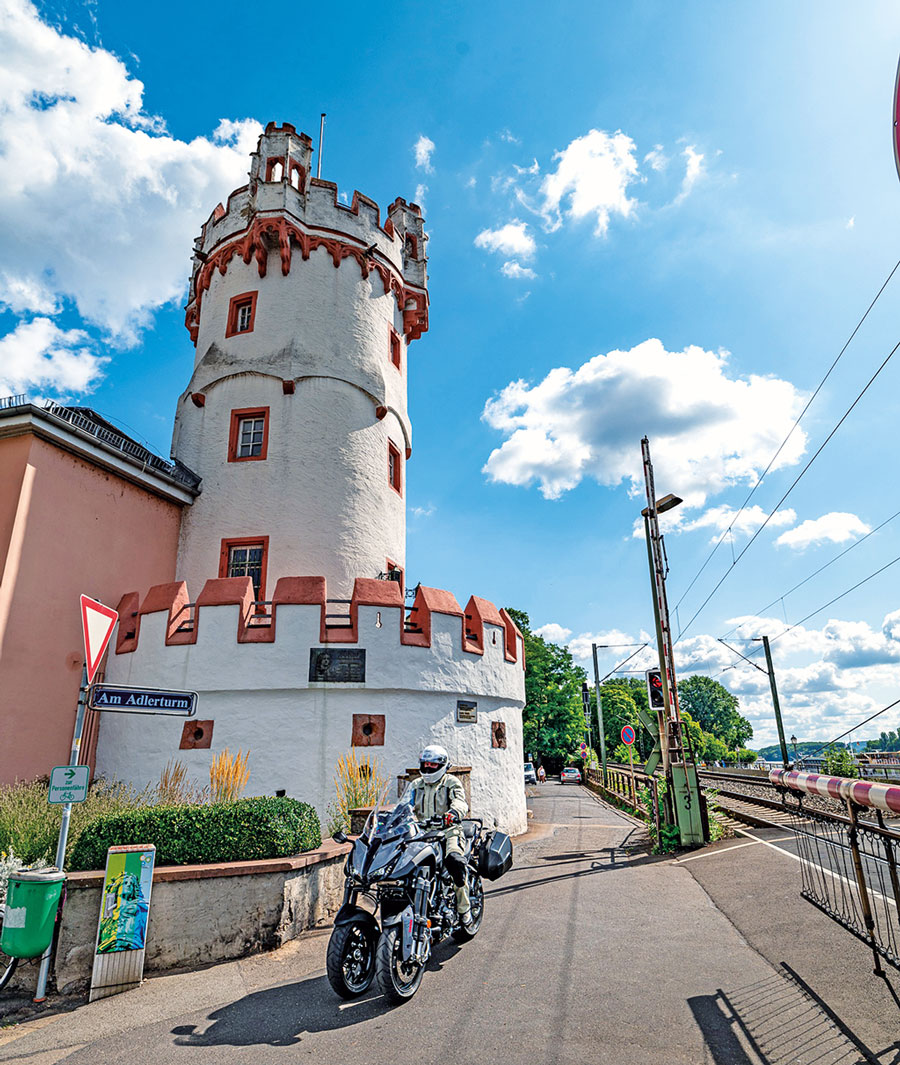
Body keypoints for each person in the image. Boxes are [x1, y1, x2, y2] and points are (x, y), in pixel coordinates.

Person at [411, 744, 472, 923]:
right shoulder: (416, 784)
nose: (428, 768)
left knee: (454, 860)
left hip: (449, 832)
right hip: (422, 834)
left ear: (443, 765)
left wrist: (452, 814)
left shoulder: (450, 782)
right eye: (425, 764)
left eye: (433, 765)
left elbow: (460, 802)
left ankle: (464, 909)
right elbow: (404, 805)